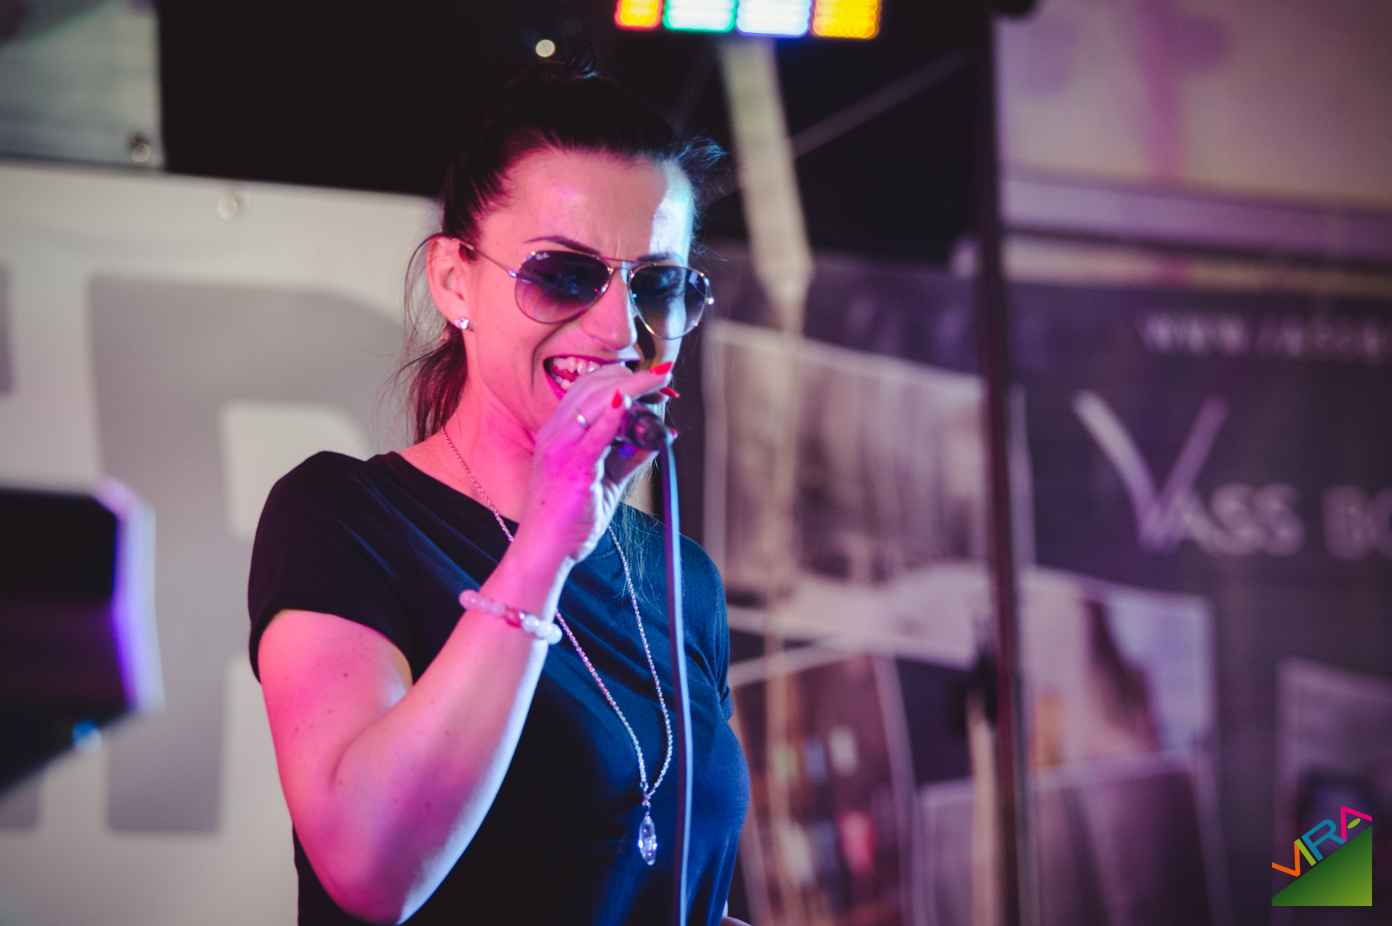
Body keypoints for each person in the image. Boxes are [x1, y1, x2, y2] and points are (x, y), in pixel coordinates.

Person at [247, 54, 751, 925]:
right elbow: (371, 869)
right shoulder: (344, 520)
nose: (617, 328)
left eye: (657, 285)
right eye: (563, 274)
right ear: (455, 281)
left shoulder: (684, 581)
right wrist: (546, 544)